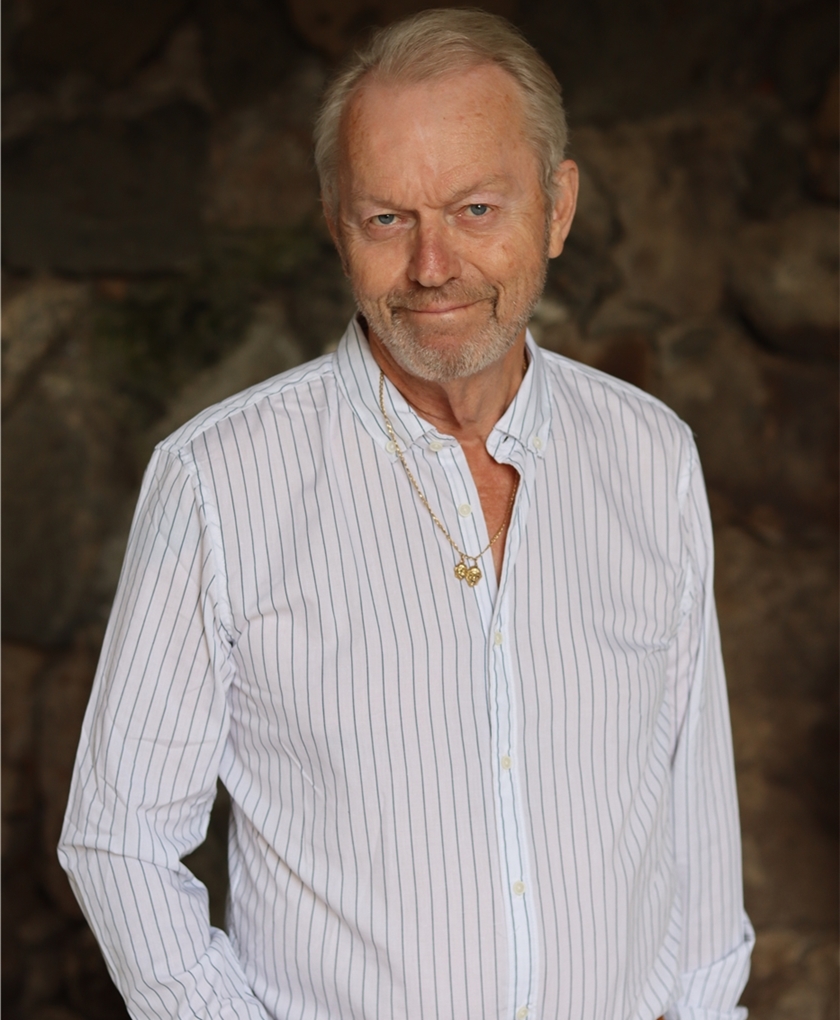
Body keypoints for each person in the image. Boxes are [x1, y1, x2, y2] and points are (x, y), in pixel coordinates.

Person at [59, 9, 754, 1019]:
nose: (433, 266)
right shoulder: (218, 481)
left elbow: (696, 816)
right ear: (336, 224)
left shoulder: (652, 456)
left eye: (476, 208)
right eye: (388, 218)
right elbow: (118, 839)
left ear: (557, 208)